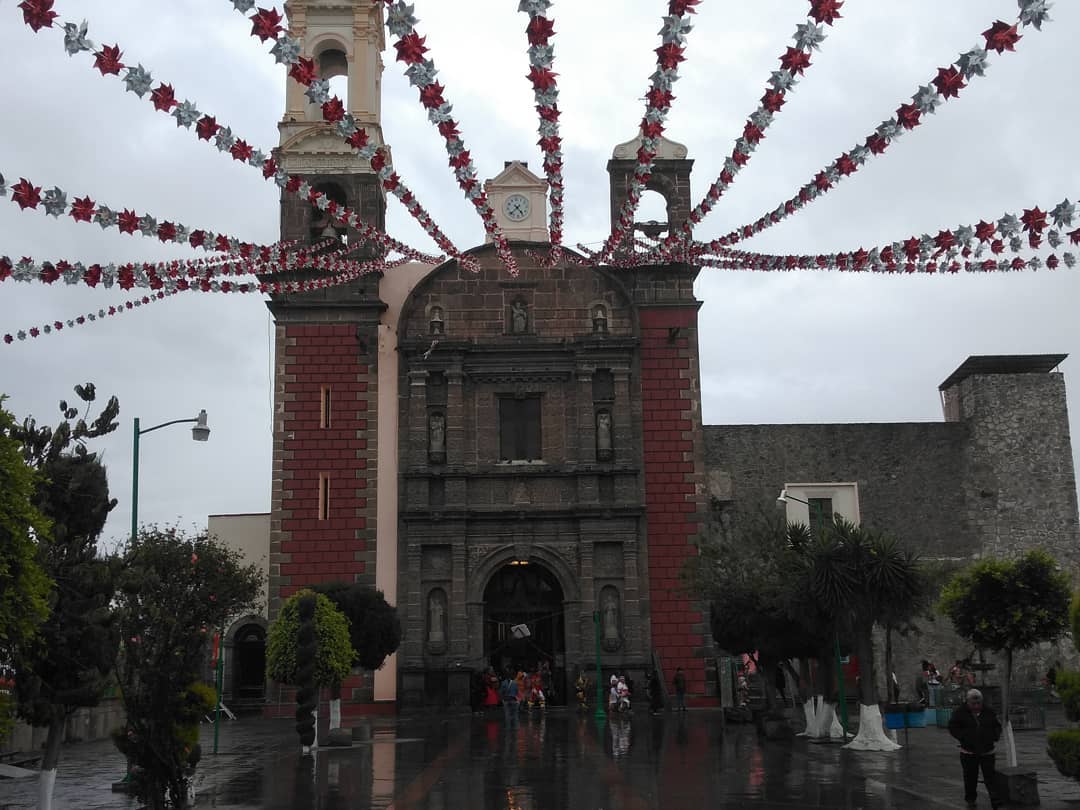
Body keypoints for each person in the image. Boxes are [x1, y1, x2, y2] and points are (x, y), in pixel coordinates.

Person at [948, 688, 1002, 808]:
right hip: (968, 752)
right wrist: (964, 737)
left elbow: (997, 726)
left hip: (987, 751)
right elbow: (953, 727)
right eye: (974, 703)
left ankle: (995, 799)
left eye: (979, 703)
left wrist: (994, 736)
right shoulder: (960, 713)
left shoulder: (989, 711)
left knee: (991, 778)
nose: (977, 706)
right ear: (967, 702)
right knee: (970, 777)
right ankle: (971, 799)